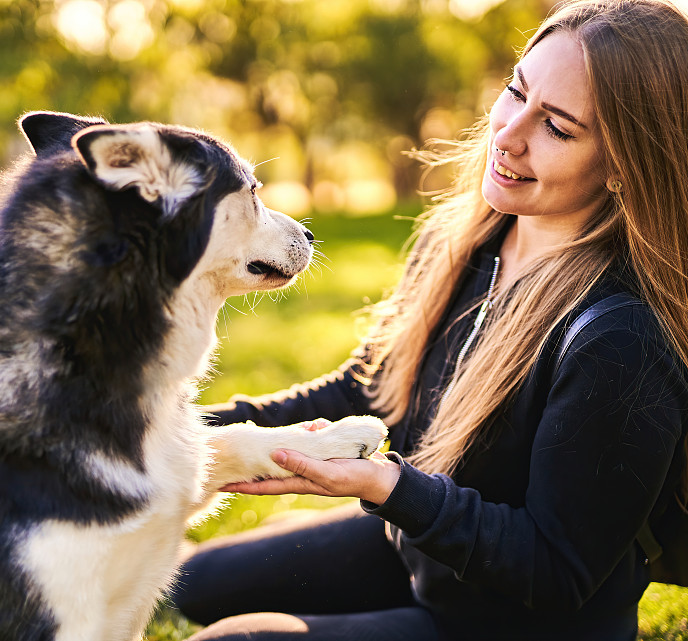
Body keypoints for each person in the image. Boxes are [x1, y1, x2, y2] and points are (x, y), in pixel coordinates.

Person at [171, 1, 688, 639]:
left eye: (557, 127)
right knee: (195, 579)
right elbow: (373, 386)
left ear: (625, 163)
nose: (508, 134)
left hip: (514, 623)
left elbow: (557, 570)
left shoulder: (622, 337)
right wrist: (183, 430)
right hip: (420, 556)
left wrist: (390, 488)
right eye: (515, 92)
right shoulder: (468, 242)